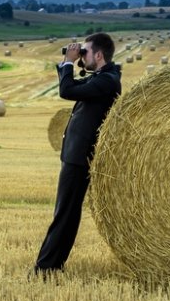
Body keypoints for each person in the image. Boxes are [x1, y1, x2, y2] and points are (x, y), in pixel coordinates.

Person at [34, 32, 122, 275]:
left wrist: (69, 63)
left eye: (85, 52)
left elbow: (66, 90)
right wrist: (72, 62)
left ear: (99, 55)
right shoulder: (102, 77)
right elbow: (72, 87)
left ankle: (46, 268)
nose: (82, 55)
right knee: (67, 214)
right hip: (75, 156)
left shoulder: (108, 80)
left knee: (65, 214)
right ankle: (51, 266)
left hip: (80, 158)